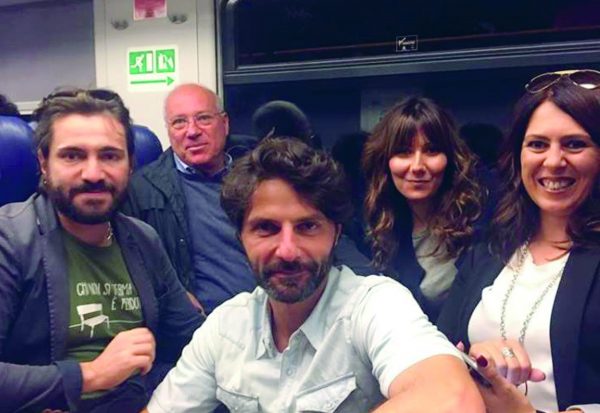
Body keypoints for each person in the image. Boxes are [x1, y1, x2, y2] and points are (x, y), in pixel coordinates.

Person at [145, 138, 485, 413]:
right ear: (241, 239)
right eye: (266, 228)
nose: (287, 250)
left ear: (336, 234)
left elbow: (452, 399)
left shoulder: (375, 304)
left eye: (307, 227)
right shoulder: (225, 328)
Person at [0, 88, 202, 412]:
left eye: (110, 156)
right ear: (44, 163)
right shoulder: (9, 239)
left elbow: (195, 343)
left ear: (130, 165)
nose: (93, 174)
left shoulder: (143, 239)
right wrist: (90, 375)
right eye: (72, 156)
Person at [437, 69, 600, 413]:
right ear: (518, 156)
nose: (553, 161)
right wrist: (473, 360)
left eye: (575, 144)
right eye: (538, 144)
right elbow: (438, 350)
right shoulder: (488, 250)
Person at [121, 83, 257, 315]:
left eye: (203, 118)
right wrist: (173, 294)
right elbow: (129, 264)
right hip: (198, 325)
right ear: (169, 130)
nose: (192, 131)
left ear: (224, 124)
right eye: (179, 122)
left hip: (270, 314)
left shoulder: (258, 176)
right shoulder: (140, 191)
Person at [362, 96, 483, 320]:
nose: (417, 166)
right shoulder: (379, 230)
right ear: (385, 161)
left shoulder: (481, 222)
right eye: (403, 152)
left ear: (450, 158)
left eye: (431, 150)